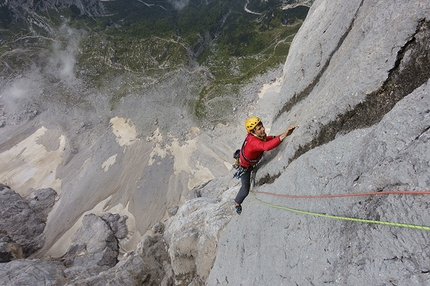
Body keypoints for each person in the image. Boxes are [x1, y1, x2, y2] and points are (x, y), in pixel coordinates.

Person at [234, 116, 295, 215]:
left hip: (249, 159)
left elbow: (266, 139)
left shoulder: (256, 136)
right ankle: (237, 203)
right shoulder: (253, 141)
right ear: (253, 131)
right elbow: (265, 146)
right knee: (245, 189)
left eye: (261, 126)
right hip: (246, 167)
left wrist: (279, 136)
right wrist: (283, 136)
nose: (263, 129)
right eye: (259, 128)